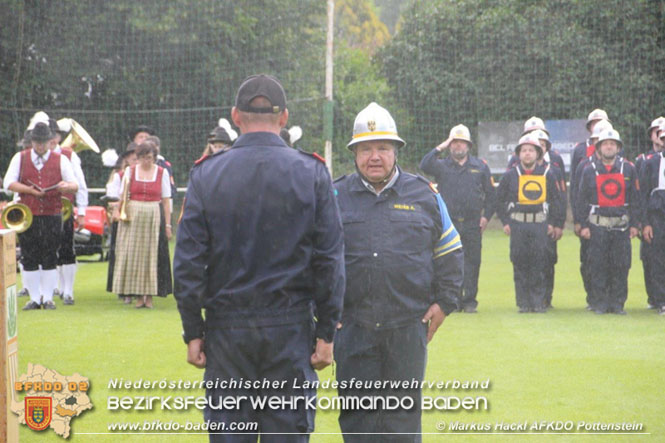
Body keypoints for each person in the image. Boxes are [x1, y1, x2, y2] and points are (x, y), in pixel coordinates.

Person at [174, 74, 344, 442]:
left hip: (227, 332)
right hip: (291, 330)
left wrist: (193, 331)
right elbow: (329, 260)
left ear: (236, 116)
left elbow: (188, 263)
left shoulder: (206, 174)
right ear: (284, 118)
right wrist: (326, 332)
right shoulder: (312, 172)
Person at [334, 102, 463, 440]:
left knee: (402, 425)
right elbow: (312, 259)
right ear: (355, 153)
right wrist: (321, 313)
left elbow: (450, 251)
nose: (374, 156)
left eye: (382, 148)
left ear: (396, 151)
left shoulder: (425, 195)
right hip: (352, 327)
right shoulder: (332, 196)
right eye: (365, 149)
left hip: (408, 328)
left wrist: (445, 303)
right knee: (358, 424)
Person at [419, 123, 494, 313]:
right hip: (448, 224)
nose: (457, 146)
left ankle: (469, 301)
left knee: (472, 263)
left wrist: (486, 218)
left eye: (461, 143)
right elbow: (424, 164)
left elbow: (492, 195)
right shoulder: (442, 166)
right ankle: (451, 300)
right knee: (447, 262)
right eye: (454, 142)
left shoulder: (480, 167)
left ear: (468, 146)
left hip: (472, 224)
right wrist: (441, 146)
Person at [3, 122, 78, 310]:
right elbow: (8, 183)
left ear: (49, 141)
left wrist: (65, 186)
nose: (40, 146)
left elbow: (74, 184)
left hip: (52, 213)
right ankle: (34, 297)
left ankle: (48, 297)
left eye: (43, 142)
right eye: (37, 142)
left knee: (50, 255)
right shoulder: (20, 158)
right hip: (28, 214)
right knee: (29, 255)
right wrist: (29, 190)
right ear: (32, 142)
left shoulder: (61, 159)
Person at [496, 132, 564, 313]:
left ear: (538, 154)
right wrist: (505, 221)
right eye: (524, 150)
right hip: (518, 226)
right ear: (519, 154)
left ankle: (538, 301)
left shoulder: (548, 174)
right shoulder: (511, 175)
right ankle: (523, 303)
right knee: (519, 262)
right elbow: (498, 199)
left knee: (539, 263)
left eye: (531, 150)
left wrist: (554, 223)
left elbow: (557, 200)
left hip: (539, 225)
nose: (527, 154)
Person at [576, 128, 642, 314]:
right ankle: (600, 303)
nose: (609, 147)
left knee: (620, 266)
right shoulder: (589, 170)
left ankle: (618, 304)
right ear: (598, 148)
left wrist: (636, 224)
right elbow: (581, 199)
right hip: (597, 226)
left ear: (618, 147)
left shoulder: (629, 168)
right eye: (605, 144)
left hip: (621, 227)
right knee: (597, 266)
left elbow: (636, 198)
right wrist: (583, 225)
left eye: (612, 144)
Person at [112, 142, 172, 308]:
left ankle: (149, 295)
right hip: (133, 216)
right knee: (133, 256)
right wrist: (118, 212)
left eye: (150, 157)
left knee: (151, 256)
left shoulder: (162, 173)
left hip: (153, 215)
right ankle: (138, 296)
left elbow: (166, 201)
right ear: (137, 158)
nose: (146, 161)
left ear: (154, 158)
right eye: (143, 158)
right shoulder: (130, 172)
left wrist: (168, 225)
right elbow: (123, 196)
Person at [50, 118, 89, 305]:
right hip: (42, 209)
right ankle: (53, 287)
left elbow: (80, 185)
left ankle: (68, 291)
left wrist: (81, 212)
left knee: (66, 248)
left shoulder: (69, 155)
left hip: (64, 208)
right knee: (47, 249)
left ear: (57, 137)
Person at [635, 117, 664, 309]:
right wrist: (644, 222)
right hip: (657, 216)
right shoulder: (650, 162)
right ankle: (660, 299)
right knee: (657, 258)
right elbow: (642, 194)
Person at [105, 144, 138, 303]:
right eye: (133, 158)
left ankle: (138, 288)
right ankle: (125, 289)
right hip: (123, 219)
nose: (135, 161)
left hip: (138, 218)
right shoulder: (119, 175)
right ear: (126, 159)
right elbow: (112, 197)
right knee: (123, 255)